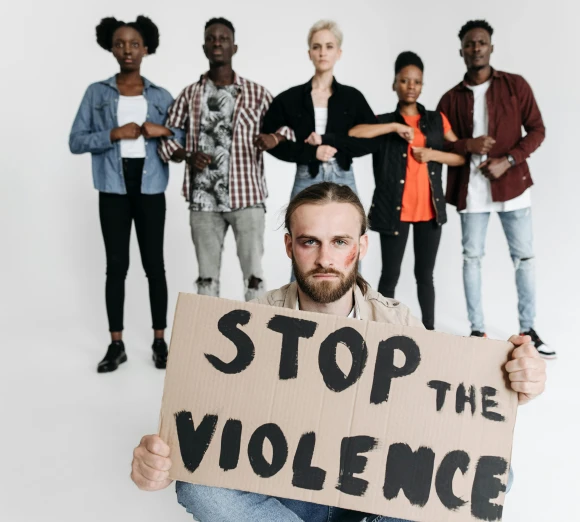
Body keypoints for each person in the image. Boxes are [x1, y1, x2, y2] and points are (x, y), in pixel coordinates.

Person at [129, 182, 548, 521]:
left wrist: (512, 381)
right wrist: (160, 458)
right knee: (198, 487)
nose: (325, 259)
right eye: (310, 242)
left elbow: (443, 419)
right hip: (287, 492)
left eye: (340, 241)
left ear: (361, 248)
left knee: (495, 475)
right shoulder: (249, 322)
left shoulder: (397, 323)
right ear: (289, 246)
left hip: (369, 498)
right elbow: (205, 422)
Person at [437, 20, 555, 358]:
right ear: (461, 50)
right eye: (470, 44)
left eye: (482, 42)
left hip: (513, 187)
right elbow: (440, 144)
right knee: (471, 258)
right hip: (470, 191)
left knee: (525, 258)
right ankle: (477, 331)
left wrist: (509, 160)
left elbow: (537, 130)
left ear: (491, 47)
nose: (476, 48)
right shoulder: (449, 99)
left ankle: (528, 330)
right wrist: (467, 144)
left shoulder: (515, 86)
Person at [69, 16, 174, 373]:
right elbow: (76, 140)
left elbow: (182, 140)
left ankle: (160, 342)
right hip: (112, 187)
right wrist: (113, 134)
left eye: (134, 44)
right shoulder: (97, 93)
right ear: (110, 47)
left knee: (154, 266)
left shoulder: (161, 96)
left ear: (146, 48)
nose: (127, 50)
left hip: (150, 187)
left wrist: (163, 130)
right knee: (116, 267)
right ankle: (116, 345)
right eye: (119, 43)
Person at [158, 18, 288, 301]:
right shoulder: (190, 94)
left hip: (248, 197)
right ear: (204, 47)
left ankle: (259, 338)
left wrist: (273, 139)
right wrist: (187, 156)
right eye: (211, 38)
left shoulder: (257, 93)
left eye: (223, 38)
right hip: (203, 200)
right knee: (206, 278)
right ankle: (206, 340)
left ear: (234, 46)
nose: (217, 42)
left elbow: (288, 126)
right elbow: (166, 140)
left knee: (254, 275)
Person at [348, 51, 465, 330]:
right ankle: (382, 331)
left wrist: (432, 154)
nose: (411, 86)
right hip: (394, 211)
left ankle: (430, 332)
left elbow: (460, 156)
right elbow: (353, 133)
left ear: (422, 85)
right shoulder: (384, 121)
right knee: (390, 275)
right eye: (404, 80)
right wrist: (393, 127)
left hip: (429, 210)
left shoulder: (437, 120)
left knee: (425, 275)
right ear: (394, 84)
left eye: (417, 81)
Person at [261, 20, 379, 199]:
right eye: (317, 47)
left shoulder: (352, 97)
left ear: (338, 53)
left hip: (343, 175)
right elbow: (267, 140)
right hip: (306, 175)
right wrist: (311, 153)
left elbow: (373, 141)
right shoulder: (290, 98)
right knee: (300, 227)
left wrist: (336, 144)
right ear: (309, 53)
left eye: (329, 46)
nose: (323, 52)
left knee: (350, 227)